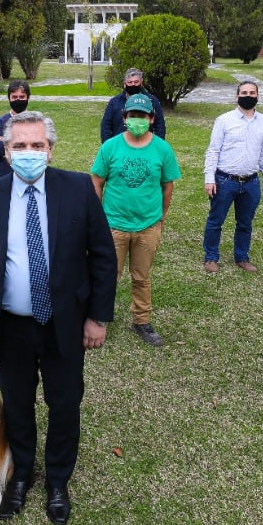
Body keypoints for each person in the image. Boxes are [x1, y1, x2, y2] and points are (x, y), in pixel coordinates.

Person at [0, 110, 116, 525]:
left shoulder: (77, 190)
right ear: (6, 150)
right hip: (11, 326)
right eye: (20, 146)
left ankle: (58, 481)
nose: (29, 153)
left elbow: (103, 258)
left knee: (64, 403)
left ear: (51, 150)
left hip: (64, 324)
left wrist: (98, 318)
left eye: (37, 145)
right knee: (17, 405)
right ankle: (22, 475)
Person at [90, 93, 181, 347]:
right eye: (132, 116)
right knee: (108, 275)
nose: (137, 120)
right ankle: (98, 318)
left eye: (142, 116)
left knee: (142, 276)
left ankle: (141, 321)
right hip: (114, 224)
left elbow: (167, 185)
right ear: (124, 118)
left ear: (152, 119)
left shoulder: (162, 149)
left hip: (147, 225)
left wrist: (161, 217)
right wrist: (98, 217)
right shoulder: (110, 147)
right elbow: (97, 181)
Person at [202, 80, 263, 273]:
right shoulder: (224, 120)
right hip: (225, 181)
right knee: (215, 221)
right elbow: (213, 151)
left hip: (250, 182)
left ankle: (241, 257)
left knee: (245, 223)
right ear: (236, 96)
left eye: (252, 93)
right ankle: (211, 257)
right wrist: (209, 178)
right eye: (244, 92)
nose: (248, 96)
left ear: (257, 96)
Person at [99, 67, 166, 142]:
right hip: (120, 146)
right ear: (124, 83)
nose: (133, 84)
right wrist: (108, 147)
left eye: (136, 82)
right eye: (130, 82)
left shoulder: (152, 101)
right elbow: (106, 127)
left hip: (146, 145)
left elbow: (160, 126)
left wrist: (158, 146)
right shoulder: (114, 102)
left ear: (141, 82)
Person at [0, 79, 31, 179]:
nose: (18, 100)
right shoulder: (0, 122)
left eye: (22, 97)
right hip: (4, 172)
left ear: (28, 98)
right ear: (9, 98)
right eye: (14, 97)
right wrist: (25, 144)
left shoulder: (36, 121)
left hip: (29, 172)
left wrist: (7, 141)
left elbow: (39, 148)